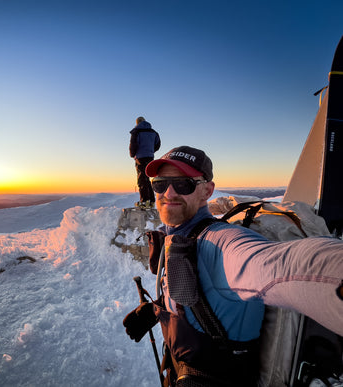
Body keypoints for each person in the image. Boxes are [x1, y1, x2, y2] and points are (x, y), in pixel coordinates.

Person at [123, 145, 343, 387]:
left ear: (207, 190)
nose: (169, 193)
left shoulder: (222, 243)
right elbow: (197, 295)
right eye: (160, 184)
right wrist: (156, 310)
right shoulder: (180, 237)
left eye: (184, 184)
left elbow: (286, 268)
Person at [129, 116, 161, 209]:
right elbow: (157, 145)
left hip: (140, 157)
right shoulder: (153, 132)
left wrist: (133, 155)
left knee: (141, 179)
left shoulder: (136, 131)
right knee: (146, 177)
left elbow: (133, 145)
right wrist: (150, 151)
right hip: (150, 157)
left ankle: (144, 201)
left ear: (137, 123)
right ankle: (151, 200)